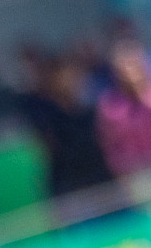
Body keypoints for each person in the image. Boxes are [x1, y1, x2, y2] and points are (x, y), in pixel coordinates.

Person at [11, 44, 114, 199]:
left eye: (74, 75)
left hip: (103, 185)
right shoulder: (45, 119)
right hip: (70, 190)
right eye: (62, 76)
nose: (69, 81)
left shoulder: (92, 112)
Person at [95, 37, 151, 178]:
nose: (129, 72)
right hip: (135, 174)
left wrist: (143, 96)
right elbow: (109, 144)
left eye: (133, 65)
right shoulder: (110, 105)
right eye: (124, 67)